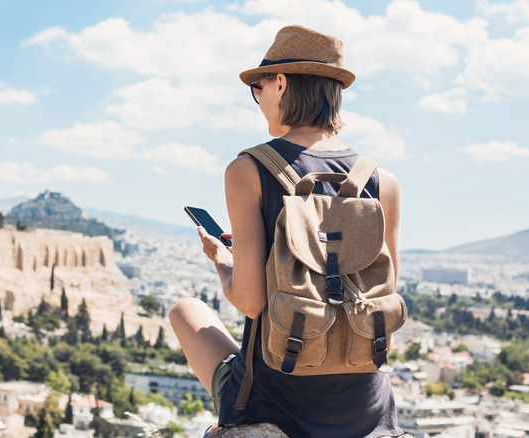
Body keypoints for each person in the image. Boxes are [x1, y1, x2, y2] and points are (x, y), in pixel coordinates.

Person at [169, 25, 406, 437]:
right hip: (366, 408)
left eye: (258, 88)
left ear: (280, 83)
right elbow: (381, 291)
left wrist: (224, 263)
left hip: (276, 403)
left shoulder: (249, 169)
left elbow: (251, 302)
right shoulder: (382, 181)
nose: (259, 100)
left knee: (184, 310)